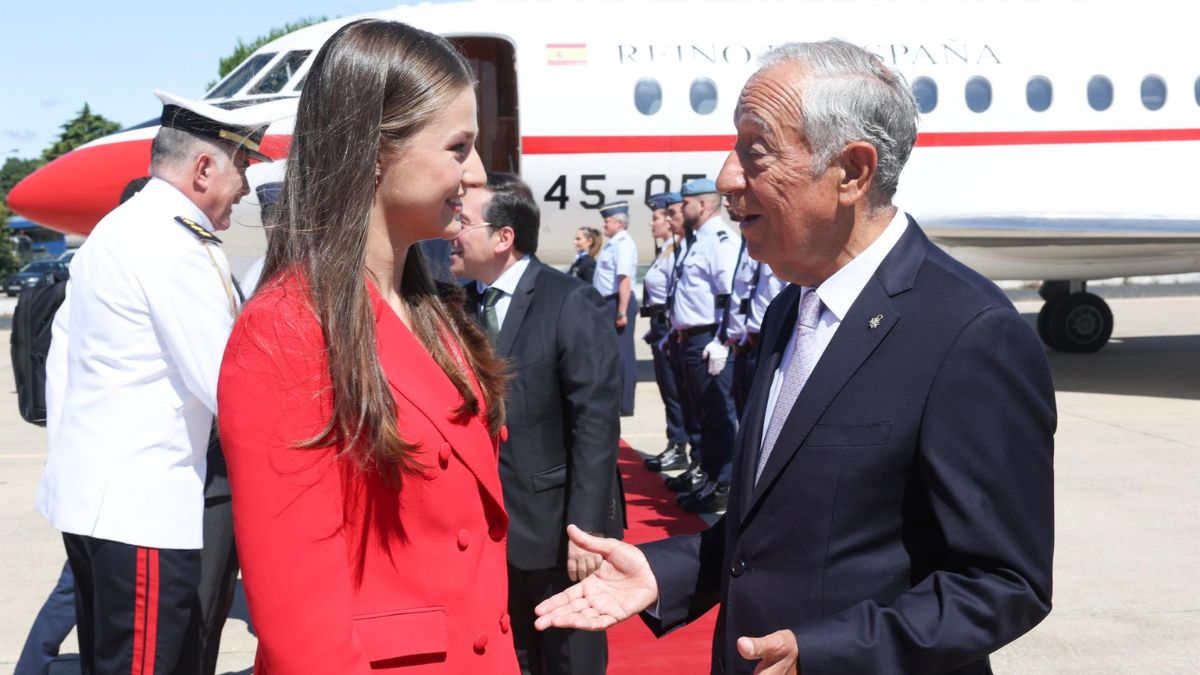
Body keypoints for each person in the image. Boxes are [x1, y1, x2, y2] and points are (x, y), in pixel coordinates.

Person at [535, 40, 1056, 675]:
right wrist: (663, 570)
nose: (726, 176)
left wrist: (829, 652)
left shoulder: (969, 332)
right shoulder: (793, 306)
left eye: (755, 151)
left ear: (852, 172)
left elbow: (1002, 584)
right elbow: (776, 530)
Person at [216, 20, 518, 673]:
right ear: (374, 148)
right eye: (458, 146)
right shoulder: (286, 330)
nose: (479, 172)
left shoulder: (431, 309)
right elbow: (303, 629)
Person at [450, 172, 623, 675]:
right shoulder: (461, 305)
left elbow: (594, 423)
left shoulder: (568, 301)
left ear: (503, 237)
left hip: (558, 534)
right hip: (492, 536)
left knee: (571, 661)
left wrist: (586, 532)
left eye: (463, 221)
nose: (452, 232)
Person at [15, 176, 149, 675]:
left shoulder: (91, 272)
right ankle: (33, 664)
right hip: (101, 472)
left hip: (79, 463)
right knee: (81, 582)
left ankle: (35, 663)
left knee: (79, 580)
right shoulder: (110, 277)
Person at [668, 178, 741, 513]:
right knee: (703, 414)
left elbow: (729, 295)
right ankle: (711, 478)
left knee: (718, 414)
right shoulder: (701, 240)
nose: (682, 209)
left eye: (686, 203)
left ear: (703, 204)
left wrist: (721, 339)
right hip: (691, 339)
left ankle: (724, 482)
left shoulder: (720, 240)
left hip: (707, 338)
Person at [639, 192, 689, 472]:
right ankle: (675, 442)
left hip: (669, 325)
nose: (654, 223)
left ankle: (680, 445)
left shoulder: (679, 250)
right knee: (668, 388)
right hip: (660, 325)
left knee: (675, 389)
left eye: (658, 217)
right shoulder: (668, 249)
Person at [591, 202, 639, 416]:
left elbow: (624, 279)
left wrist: (621, 310)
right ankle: (617, 399)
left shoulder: (624, 244)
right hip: (609, 301)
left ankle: (625, 403)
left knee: (623, 354)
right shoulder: (614, 243)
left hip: (618, 301)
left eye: (607, 220)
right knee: (614, 353)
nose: (604, 224)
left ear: (619, 223)